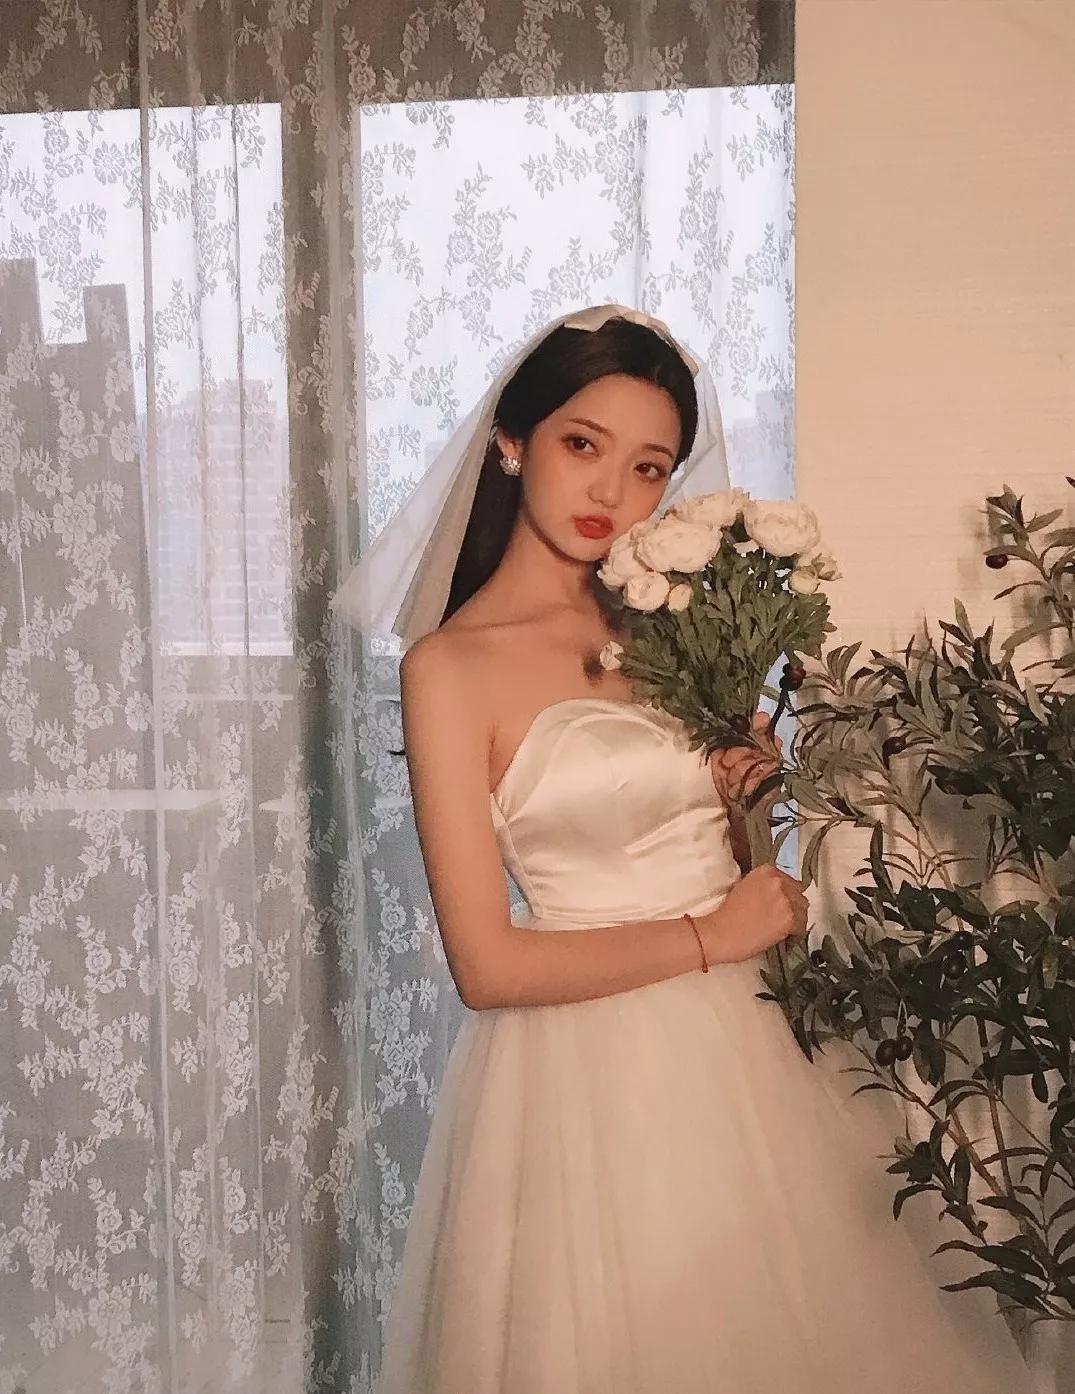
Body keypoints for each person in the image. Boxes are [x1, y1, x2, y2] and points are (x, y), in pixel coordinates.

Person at [332, 307, 1040, 1394]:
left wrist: (748, 800)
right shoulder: (448, 667)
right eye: (582, 443)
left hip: (751, 1040)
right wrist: (713, 934)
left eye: (648, 466)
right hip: (585, 1083)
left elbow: (740, 866)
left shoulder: (672, 629)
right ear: (512, 440)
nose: (611, 491)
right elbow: (487, 965)